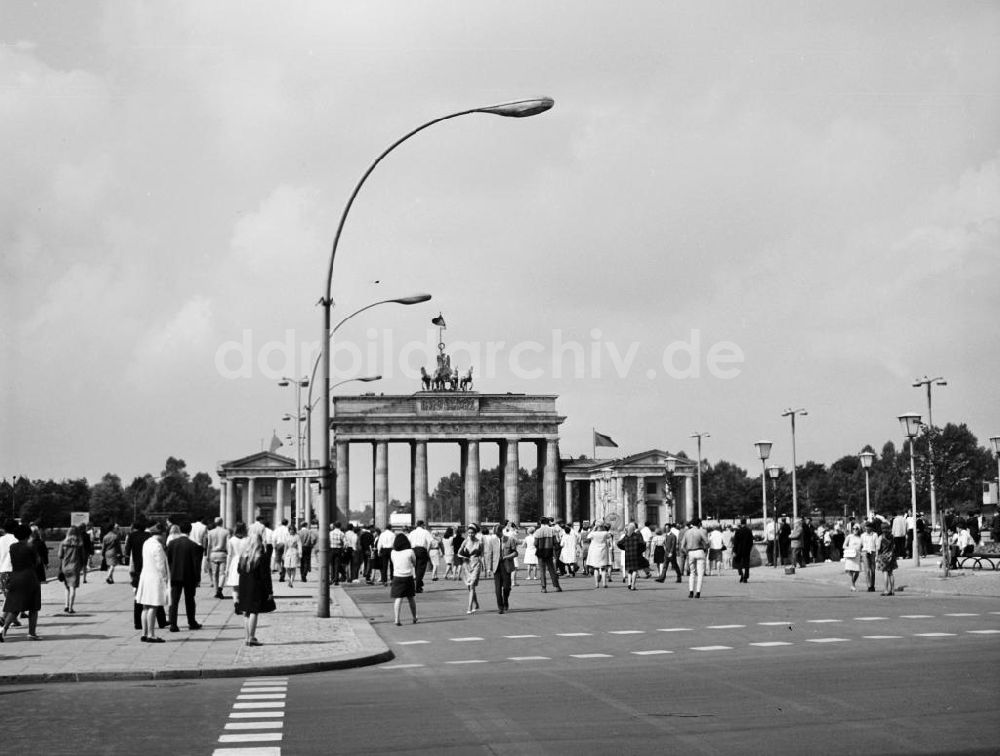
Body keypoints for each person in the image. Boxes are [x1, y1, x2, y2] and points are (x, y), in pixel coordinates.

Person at [1, 525, 42, 641]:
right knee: (34, 607)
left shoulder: (12, 547)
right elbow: (37, 561)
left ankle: (3, 629)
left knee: (16, 607)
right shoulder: (30, 546)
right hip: (29, 576)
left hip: (15, 576)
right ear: (28, 534)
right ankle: (31, 633)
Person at [237, 529, 275, 646]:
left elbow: (239, 570)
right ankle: (252, 637)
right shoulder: (261, 557)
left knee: (245, 612)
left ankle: (247, 637)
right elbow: (265, 576)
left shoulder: (243, 556)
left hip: (243, 585)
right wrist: (269, 591)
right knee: (254, 611)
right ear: (259, 542)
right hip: (255, 586)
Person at [166, 520, 204, 632]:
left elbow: (168, 560)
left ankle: (173, 624)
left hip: (175, 575)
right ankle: (191, 622)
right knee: (190, 600)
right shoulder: (193, 545)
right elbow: (196, 564)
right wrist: (198, 579)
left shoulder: (172, 544)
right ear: (190, 530)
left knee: (174, 600)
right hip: (189, 576)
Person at [135, 522, 169, 643]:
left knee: (145, 607)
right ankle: (151, 634)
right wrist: (165, 578)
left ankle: (144, 633)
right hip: (154, 577)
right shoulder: (157, 546)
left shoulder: (147, 543)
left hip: (145, 576)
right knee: (153, 606)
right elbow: (160, 565)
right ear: (162, 534)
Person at [484, 524, 517, 613]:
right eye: (494, 533)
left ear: (500, 531)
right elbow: (489, 554)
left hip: (506, 566)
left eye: (497, 533)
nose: (495, 535)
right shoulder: (492, 541)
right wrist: (488, 568)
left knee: (506, 587)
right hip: (496, 567)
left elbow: (515, 553)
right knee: (497, 589)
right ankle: (500, 607)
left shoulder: (510, 539)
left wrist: (506, 557)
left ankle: (505, 599)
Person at [388, 532, 418, 625]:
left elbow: (393, 563)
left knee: (398, 599)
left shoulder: (393, 552)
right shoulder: (410, 551)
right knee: (411, 598)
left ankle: (397, 619)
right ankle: (414, 617)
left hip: (397, 577)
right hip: (408, 577)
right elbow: (414, 562)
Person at [57, 525, 87, 614]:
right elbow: (83, 556)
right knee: (73, 587)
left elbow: (60, 555)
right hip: (75, 566)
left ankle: (66, 605)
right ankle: (71, 607)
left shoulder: (63, 543)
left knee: (66, 587)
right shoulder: (79, 544)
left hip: (65, 566)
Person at [680, 518, 709, 599]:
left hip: (690, 552)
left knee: (692, 573)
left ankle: (691, 592)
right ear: (699, 524)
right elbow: (707, 542)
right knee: (700, 574)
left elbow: (682, 546)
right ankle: (698, 592)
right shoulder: (700, 531)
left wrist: (687, 553)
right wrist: (706, 549)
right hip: (699, 551)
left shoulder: (687, 532)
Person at [458, 524, 483, 614]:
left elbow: (482, 555)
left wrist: (486, 567)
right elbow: (459, 553)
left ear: (475, 533)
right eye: (469, 533)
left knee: (472, 585)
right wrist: (463, 557)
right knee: (470, 587)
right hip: (467, 565)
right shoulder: (465, 542)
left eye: (472, 533)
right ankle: (476, 604)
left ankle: (469, 607)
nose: (470, 534)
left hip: (476, 564)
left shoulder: (479, 542)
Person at [533, 518, 562, 593]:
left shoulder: (538, 531)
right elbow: (556, 542)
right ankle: (556, 586)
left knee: (542, 571)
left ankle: (544, 587)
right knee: (552, 570)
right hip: (549, 551)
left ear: (540, 522)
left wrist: (539, 547)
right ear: (548, 522)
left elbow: (535, 543)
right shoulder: (552, 530)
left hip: (540, 552)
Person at [226, 521, 249, 608]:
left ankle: (236, 602)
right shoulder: (247, 539)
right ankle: (243, 603)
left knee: (235, 586)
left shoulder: (231, 540)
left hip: (235, 561)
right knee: (245, 586)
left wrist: (227, 568)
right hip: (245, 561)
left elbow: (229, 554)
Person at [407, 520, 434, 593]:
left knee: (416, 567)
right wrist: (427, 551)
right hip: (422, 550)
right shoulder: (425, 532)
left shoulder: (412, 532)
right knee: (421, 568)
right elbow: (430, 542)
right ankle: (418, 585)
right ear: (422, 525)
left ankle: (418, 584)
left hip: (413, 550)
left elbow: (408, 542)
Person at [617, 522, 645, 591]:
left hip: (628, 554)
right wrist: (640, 550)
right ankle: (633, 585)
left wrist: (624, 548)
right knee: (635, 570)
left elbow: (619, 543)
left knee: (629, 570)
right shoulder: (637, 536)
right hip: (635, 554)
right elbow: (642, 544)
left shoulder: (626, 536)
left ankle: (629, 584)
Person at [207, 518, 230, 599]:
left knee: (214, 574)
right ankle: (220, 589)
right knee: (222, 573)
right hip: (222, 553)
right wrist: (229, 554)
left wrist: (207, 555)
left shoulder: (210, 532)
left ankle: (216, 591)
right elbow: (228, 545)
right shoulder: (226, 532)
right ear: (222, 522)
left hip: (213, 553)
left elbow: (209, 545)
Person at [585, 522, 612, 588]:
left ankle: (596, 584)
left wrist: (593, 529)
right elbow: (609, 536)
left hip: (595, 552)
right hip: (603, 551)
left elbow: (588, 536)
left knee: (596, 568)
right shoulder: (605, 533)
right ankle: (604, 583)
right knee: (603, 568)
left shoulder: (593, 533)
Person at [876, 522, 898, 596]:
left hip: (883, 556)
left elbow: (878, 548)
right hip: (891, 556)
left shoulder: (881, 537)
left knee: (885, 572)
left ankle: (885, 590)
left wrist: (877, 556)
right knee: (891, 573)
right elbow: (894, 546)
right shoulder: (892, 536)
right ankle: (892, 590)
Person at [731, 518, 754, 583]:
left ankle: (741, 574)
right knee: (746, 564)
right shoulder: (749, 531)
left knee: (738, 563)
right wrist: (749, 548)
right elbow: (751, 542)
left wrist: (735, 550)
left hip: (739, 550)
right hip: (746, 550)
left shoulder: (738, 531)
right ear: (746, 523)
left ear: (741, 523)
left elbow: (735, 542)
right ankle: (746, 577)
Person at [841, 524, 864, 591]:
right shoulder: (849, 536)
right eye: (853, 529)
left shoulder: (861, 538)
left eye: (856, 529)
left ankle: (853, 584)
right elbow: (844, 546)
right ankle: (853, 584)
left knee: (857, 571)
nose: (855, 530)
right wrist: (850, 548)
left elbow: (863, 546)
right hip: (850, 555)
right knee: (850, 571)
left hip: (857, 555)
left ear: (859, 529)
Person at [860, 521, 879, 592]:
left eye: (868, 527)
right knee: (867, 570)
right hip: (865, 552)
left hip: (872, 552)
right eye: (866, 527)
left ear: (871, 528)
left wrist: (877, 555)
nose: (867, 529)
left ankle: (873, 585)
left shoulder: (875, 535)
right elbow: (861, 545)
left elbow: (877, 545)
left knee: (873, 570)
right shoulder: (862, 535)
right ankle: (869, 586)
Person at [283, 522, 300, 588]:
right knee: (287, 568)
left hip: (294, 552)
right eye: (290, 530)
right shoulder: (287, 537)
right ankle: (290, 579)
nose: (291, 531)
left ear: (294, 530)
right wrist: (284, 554)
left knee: (293, 568)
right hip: (288, 553)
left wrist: (300, 553)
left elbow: (299, 545)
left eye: (292, 530)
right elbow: (285, 546)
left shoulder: (297, 537)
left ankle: (291, 581)